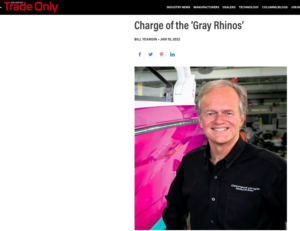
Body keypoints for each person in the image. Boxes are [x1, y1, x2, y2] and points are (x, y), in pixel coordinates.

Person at [162, 80, 287, 230]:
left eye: (228, 112)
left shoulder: (274, 169)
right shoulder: (190, 163)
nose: (219, 120)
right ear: (200, 120)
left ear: (241, 119)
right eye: (210, 113)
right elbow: (173, 214)